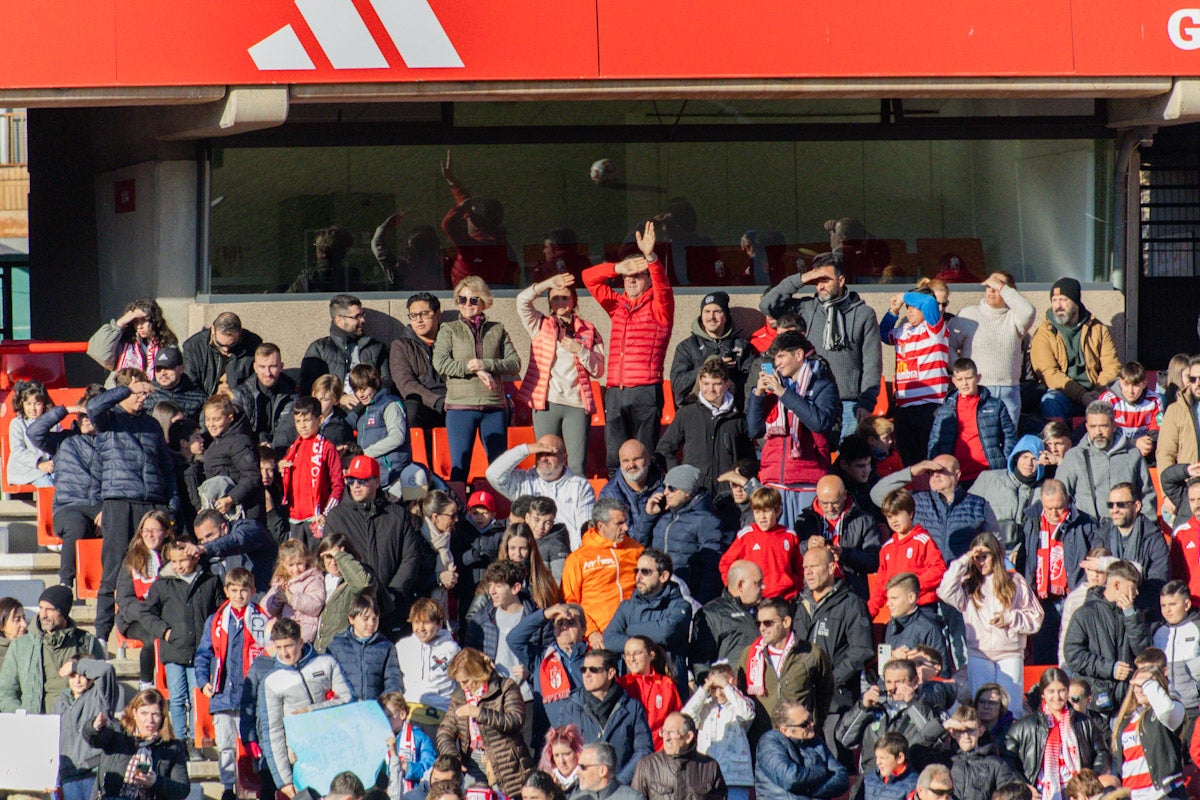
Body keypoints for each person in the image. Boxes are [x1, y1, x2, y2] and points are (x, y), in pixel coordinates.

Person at [583, 221, 675, 472]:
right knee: (615, 459)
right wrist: (617, 267)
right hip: (615, 391)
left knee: (644, 457)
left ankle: (647, 506)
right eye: (627, 276)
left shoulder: (660, 307)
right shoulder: (617, 305)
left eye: (638, 275)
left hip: (645, 391)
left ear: (648, 279)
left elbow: (663, 286)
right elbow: (588, 278)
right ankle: (616, 507)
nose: (631, 280)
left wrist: (650, 258)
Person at [759, 254, 882, 440]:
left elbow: (872, 361)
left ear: (841, 280)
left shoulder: (864, 313)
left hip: (849, 404)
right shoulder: (806, 307)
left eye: (826, 280)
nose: (820, 286)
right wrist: (801, 279)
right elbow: (767, 306)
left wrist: (866, 402)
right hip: (812, 399)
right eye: (817, 281)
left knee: (847, 463)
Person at [433, 276, 520, 500]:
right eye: (462, 299)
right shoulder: (449, 329)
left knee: (498, 466)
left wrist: (486, 365)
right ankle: (457, 513)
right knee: (460, 466)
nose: (467, 305)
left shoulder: (497, 329)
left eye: (473, 300)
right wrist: (474, 369)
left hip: (493, 406)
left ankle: (500, 510)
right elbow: (441, 363)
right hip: (461, 407)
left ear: (484, 301)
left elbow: (514, 363)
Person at [141, 536, 225, 756]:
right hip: (174, 649)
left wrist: (213, 640)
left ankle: (197, 743)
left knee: (197, 697)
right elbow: (147, 613)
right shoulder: (163, 584)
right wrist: (165, 632)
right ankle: (180, 741)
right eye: (174, 561)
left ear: (195, 557)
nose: (178, 565)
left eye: (183, 560)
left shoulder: (210, 581)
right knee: (177, 697)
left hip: (201, 652)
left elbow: (219, 612)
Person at [516, 272, 606, 477]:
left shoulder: (589, 329)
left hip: (576, 403)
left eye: (565, 297)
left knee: (576, 465)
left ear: (574, 300)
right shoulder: (539, 324)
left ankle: (577, 507)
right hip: (547, 402)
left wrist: (580, 350)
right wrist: (548, 282)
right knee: (546, 462)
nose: (560, 302)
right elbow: (522, 300)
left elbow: (599, 370)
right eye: (555, 298)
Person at [937, 533, 1043, 706]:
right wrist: (965, 560)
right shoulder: (968, 584)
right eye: (977, 558)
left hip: (1010, 653)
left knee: (1011, 707)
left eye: (985, 557)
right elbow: (944, 590)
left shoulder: (1015, 581)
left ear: (996, 555)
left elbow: (1036, 617)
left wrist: (1011, 618)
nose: (980, 562)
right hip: (979, 655)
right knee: (983, 707)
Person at [747, 330, 840, 524]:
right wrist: (758, 395)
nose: (777, 363)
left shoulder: (823, 385)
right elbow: (755, 430)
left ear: (798, 355)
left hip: (808, 479)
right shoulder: (774, 387)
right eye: (775, 358)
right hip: (774, 480)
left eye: (781, 356)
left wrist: (783, 393)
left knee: (805, 544)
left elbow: (819, 422)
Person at [792, 544, 873, 767]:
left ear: (831, 567)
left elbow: (862, 650)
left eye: (814, 566)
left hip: (837, 702)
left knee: (835, 766)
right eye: (805, 567)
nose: (808, 572)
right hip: (803, 700)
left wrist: (829, 680)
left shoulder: (851, 603)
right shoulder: (800, 604)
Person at [194, 567, 270, 800]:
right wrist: (203, 681)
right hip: (223, 694)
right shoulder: (216, 620)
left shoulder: (262, 620)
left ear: (253, 591)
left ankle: (258, 785)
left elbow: (268, 654)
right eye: (234, 590)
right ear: (226, 590)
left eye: (244, 590)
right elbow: (203, 654)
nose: (239, 595)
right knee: (226, 746)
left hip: (251, 696)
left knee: (252, 743)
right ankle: (228, 788)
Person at [323, 455, 423, 630]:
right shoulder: (336, 517)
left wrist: (391, 596)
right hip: (351, 611)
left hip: (393, 609)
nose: (355, 486)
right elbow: (330, 562)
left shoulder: (397, 515)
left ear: (377, 482)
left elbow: (410, 558)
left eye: (362, 480)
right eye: (351, 480)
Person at [263, 617, 353, 794]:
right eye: (279, 647)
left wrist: (310, 711)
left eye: (288, 646)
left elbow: (348, 701)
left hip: (335, 750)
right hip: (301, 759)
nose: (284, 653)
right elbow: (273, 731)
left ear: (301, 642)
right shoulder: (272, 681)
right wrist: (284, 781)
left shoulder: (327, 663)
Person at [27, 384, 104, 589]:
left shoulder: (111, 443)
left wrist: (107, 508)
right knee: (76, 527)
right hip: (69, 506)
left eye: (91, 415)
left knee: (118, 522)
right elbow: (34, 432)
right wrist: (66, 410)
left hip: (100, 505)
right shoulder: (63, 441)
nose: (86, 419)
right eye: (83, 415)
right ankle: (65, 585)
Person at [436, 647, 533, 798]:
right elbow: (445, 731)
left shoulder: (505, 687)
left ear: (476, 673)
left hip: (506, 761)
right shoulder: (459, 696)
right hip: (473, 761)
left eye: (466, 681)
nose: (463, 686)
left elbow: (515, 720)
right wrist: (453, 758)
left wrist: (479, 713)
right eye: (459, 682)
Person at [736, 596, 833, 745]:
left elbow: (825, 691)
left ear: (786, 622)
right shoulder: (749, 655)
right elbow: (741, 697)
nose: (762, 628)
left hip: (800, 740)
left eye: (768, 623)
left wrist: (812, 722)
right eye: (759, 623)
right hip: (763, 741)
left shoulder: (811, 653)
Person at [1003, 668, 1112, 798]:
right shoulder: (1025, 725)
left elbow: (1102, 752)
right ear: (1042, 694)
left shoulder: (1084, 722)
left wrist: (1090, 779)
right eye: (1051, 691)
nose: (1057, 697)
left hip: (1078, 792)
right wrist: (1024, 786)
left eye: (1061, 691)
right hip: (1039, 792)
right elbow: (1008, 758)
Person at [1062, 560, 1151, 716]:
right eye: (1132, 588)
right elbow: (1073, 655)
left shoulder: (1133, 614)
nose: (1136, 593)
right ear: (1116, 585)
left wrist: (1131, 617)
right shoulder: (1085, 614)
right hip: (1094, 703)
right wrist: (1110, 668)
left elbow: (1143, 652)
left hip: (1126, 701)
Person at [870, 455, 999, 563]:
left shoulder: (978, 504)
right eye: (930, 472)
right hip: (925, 579)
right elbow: (877, 494)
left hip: (965, 579)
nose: (936, 475)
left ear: (957, 474)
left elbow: (996, 542)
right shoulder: (916, 500)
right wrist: (913, 471)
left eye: (942, 470)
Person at [657, 359, 755, 498]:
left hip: (728, 494)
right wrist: (678, 477)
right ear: (700, 383)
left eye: (716, 384)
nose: (710, 389)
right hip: (695, 493)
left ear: (727, 384)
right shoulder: (687, 413)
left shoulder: (738, 418)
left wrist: (739, 478)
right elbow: (665, 449)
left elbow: (748, 457)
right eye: (706, 383)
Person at [947, 273, 1035, 427]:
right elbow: (947, 345)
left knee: (1007, 444)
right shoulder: (968, 315)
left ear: (1010, 291)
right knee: (980, 443)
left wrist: (1002, 287)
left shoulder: (1015, 317)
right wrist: (960, 372)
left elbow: (1029, 311)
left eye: (997, 286)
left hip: (1009, 392)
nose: (992, 290)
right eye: (989, 286)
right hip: (977, 390)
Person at [0, 585, 104, 714]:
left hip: (75, 726)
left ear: (64, 612)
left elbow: (103, 683)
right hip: (36, 725)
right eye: (41, 608)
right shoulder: (21, 645)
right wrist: (20, 713)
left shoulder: (87, 643)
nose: (43, 615)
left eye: (50, 609)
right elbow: (6, 691)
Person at [604, 550, 693, 698]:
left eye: (645, 572)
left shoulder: (680, 606)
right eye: (636, 571)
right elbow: (609, 640)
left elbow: (666, 632)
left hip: (670, 688)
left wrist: (629, 631)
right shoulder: (626, 607)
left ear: (663, 576)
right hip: (633, 689)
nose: (638, 576)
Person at [558, 649, 653, 785]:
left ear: (611, 673)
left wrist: (619, 782)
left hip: (623, 788)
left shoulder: (632, 707)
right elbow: (562, 749)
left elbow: (644, 749)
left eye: (594, 670)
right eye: (584, 670)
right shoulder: (571, 708)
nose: (587, 675)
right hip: (583, 789)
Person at [1030, 278, 1121, 420]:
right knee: (1050, 400)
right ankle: (1060, 440)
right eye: (1054, 300)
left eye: (1063, 300)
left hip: (1096, 391)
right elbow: (1049, 373)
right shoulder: (1043, 333)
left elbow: (1112, 365)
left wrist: (1098, 391)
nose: (1058, 306)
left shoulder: (1098, 329)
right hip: (1064, 393)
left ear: (1076, 303)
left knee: (1122, 392)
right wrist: (1082, 396)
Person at [631, 465, 725, 603]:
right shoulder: (663, 515)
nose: (665, 492)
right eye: (665, 486)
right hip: (656, 592)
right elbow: (638, 547)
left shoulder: (706, 520)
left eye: (672, 488)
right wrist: (648, 516)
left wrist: (703, 603)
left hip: (686, 596)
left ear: (688, 492)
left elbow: (712, 568)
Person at [835, 659, 945, 775]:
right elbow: (844, 738)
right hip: (872, 779)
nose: (893, 687)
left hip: (910, 779)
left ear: (915, 682)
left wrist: (912, 704)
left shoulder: (929, 708)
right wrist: (862, 708)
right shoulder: (874, 706)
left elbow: (936, 740)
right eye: (888, 682)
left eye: (899, 682)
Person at [486, 435, 596, 550]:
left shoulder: (580, 486)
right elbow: (493, 474)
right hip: (530, 556)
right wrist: (526, 449)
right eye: (539, 453)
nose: (544, 458)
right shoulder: (523, 481)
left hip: (567, 555)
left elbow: (586, 530)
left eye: (550, 454)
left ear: (564, 458)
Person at [880, 288, 951, 465]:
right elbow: (882, 334)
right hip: (903, 408)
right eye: (908, 308)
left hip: (930, 406)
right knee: (910, 464)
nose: (909, 311)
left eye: (914, 307)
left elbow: (928, 302)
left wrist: (903, 295)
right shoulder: (903, 331)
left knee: (931, 461)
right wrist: (893, 311)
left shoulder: (935, 328)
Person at [82, 689, 191, 800]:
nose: (150, 720)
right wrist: (94, 727)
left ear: (163, 717)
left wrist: (156, 782)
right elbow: (94, 739)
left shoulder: (172, 746)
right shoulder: (118, 732)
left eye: (155, 714)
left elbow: (182, 789)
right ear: (134, 713)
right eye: (144, 713)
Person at [1057, 402, 1155, 522]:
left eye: (1103, 426)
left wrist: (1142, 528)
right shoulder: (1074, 457)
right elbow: (1059, 497)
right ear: (1087, 427)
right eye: (1093, 427)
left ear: (1114, 426)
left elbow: (1147, 496)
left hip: (1126, 531)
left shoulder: (1133, 455)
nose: (1098, 432)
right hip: (1087, 532)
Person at [561, 499, 644, 643]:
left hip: (634, 632)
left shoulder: (637, 550)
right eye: (619, 523)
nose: (625, 527)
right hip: (599, 637)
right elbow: (571, 601)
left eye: (625, 521)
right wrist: (590, 632)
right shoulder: (578, 558)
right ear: (602, 526)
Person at [508, 603, 590, 741]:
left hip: (584, 739)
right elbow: (513, 639)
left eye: (570, 623)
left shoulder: (594, 659)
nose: (564, 627)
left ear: (583, 629)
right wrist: (545, 614)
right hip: (549, 742)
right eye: (559, 623)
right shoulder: (541, 658)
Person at [793, 474, 881, 600]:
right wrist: (807, 546)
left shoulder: (864, 520)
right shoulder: (805, 520)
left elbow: (874, 561)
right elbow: (791, 557)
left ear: (844, 495)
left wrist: (845, 554)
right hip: (813, 593)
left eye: (835, 502)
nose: (830, 508)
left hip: (851, 592)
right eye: (824, 503)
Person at [927, 359, 1016, 483]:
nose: (965, 383)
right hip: (955, 476)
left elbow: (1009, 436)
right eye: (960, 379)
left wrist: (1005, 461)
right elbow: (935, 440)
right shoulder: (945, 410)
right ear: (954, 381)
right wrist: (935, 469)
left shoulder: (995, 405)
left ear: (978, 378)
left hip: (989, 474)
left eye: (969, 378)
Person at [440, 151, 518, 287]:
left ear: (476, 223)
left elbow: (448, 224)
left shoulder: (474, 246)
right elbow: (473, 211)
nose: (465, 219)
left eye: (468, 217)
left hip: (469, 298)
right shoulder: (498, 239)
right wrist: (453, 183)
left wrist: (460, 207)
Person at [1109, 666, 1186, 800]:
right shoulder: (1125, 720)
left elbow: (1166, 711)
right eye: (1136, 684)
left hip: (1164, 793)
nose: (1140, 688)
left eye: (1144, 683)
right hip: (1134, 794)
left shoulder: (1173, 707)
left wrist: (1149, 685)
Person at [867, 489, 947, 619]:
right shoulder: (886, 548)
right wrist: (869, 612)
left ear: (910, 513)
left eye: (898, 514)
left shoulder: (922, 541)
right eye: (889, 516)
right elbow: (881, 584)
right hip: (897, 610)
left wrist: (912, 587)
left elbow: (939, 569)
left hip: (921, 607)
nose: (894, 521)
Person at [670, 290, 755, 409]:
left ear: (725, 316)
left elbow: (753, 381)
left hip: (733, 412)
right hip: (696, 410)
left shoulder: (742, 345)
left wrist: (734, 385)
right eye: (707, 312)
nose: (711, 317)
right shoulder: (687, 347)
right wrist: (707, 368)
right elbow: (678, 385)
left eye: (717, 312)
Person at [279, 396, 345, 546]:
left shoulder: (327, 447)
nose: (302, 426)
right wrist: (280, 469)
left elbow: (338, 484)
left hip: (316, 517)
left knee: (316, 563)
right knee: (298, 563)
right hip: (295, 517)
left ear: (320, 419)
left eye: (307, 420)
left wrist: (327, 512)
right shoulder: (293, 448)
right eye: (298, 421)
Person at [720, 487, 805, 601]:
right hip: (755, 600)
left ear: (778, 511)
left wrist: (796, 590)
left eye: (766, 511)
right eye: (757, 512)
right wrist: (734, 591)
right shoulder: (746, 536)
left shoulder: (789, 536)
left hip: (784, 599)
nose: (762, 517)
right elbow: (726, 564)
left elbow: (800, 568)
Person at [682, 664, 753, 800]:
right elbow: (686, 719)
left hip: (735, 777)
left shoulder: (743, 704)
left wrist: (728, 687)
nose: (719, 693)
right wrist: (703, 690)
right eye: (714, 688)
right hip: (706, 775)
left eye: (721, 688)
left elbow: (747, 714)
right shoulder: (705, 707)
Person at [55, 654, 120, 800]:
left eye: (83, 675)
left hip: (94, 772)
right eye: (72, 676)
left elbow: (106, 670)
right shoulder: (60, 702)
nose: (77, 680)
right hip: (69, 776)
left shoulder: (100, 696)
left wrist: (75, 666)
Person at [969, 435, 1046, 555]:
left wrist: (1019, 552)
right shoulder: (988, 478)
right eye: (1024, 457)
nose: (1029, 463)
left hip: (1022, 554)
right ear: (1016, 458)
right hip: (987, 551)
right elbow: (968, 513)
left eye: (1034, 458)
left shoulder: (1044, 490)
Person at [755, 700, 848, 800]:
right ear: (785, 730)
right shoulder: (769, 743)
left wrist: (811, 791)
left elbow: (842, 778)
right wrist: (822, 771)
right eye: (804, 724)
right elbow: (791, 779)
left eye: (810, 719)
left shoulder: (816, 741)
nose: (811, 724)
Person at [300, 293, 392, 393]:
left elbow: (386, 381)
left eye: (362, 315)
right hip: (334, 406)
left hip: (372, 403)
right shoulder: (319, 349)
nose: (363, 320)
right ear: (339, 320)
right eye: (357, 317)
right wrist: (339, 399)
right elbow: (310, 387)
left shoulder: (376, 347)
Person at [395, 599, 460, 739]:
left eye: (427, 622)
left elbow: (461, 683)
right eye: (417, 622)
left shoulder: (451, 649)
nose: (421, 628)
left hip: (441, 717)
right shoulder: (402, 647)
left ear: (439, 624)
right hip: (411, 714)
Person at [1098, 482, 1170, 606]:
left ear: (1136, 506)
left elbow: (1158, 582)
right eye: (1110, 505)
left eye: (1121, 505)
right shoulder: (1101, 536)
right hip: (1107, 609)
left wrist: (1130, 603)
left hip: (1143, 611)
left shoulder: (1153, 538)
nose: (1114, 510)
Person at [690, 560, 762, 682]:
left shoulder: (767, 610)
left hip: (765, 691)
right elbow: (700, 661)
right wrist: (711, 690)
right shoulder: (712, 614)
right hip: (730, 692)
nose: (763, 587)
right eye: (758, 583)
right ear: (741, 585)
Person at [631, 712, 727, 800]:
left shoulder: (709, 767)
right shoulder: (647, 766)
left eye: (672, 733)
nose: (666, 738)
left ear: (688, 737)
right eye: (664, 732)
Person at [200, 393, 264, 521]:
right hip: (225, 513)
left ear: (230, 418)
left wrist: (231, 499)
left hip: (245, 512)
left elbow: (252, 476)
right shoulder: (212, 444)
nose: (211, 424)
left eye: (216, 419)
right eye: (208, 419)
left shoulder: (239, 442)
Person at [1152, 581, 1200, 752]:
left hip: (1192, 709)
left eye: (1173, 604)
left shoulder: (1197, 627)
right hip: (1166, 708)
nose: (1167, 610)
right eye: (1163, 605)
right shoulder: (1158, 631)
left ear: (1186, 604)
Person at [391, 292, 448, 433]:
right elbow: (406, 384)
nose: (419, 320)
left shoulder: (451, 340)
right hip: (424, 404)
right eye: (414, 316)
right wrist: (437, 401)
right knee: (411, 409)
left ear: (437, 314)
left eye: (424, 313)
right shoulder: (401, 346)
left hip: (454, 399)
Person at [347, 363, 411, 489]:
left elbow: (397, 437)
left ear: (375, 383)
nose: (360, 395)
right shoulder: (362, 412)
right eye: (356, 391)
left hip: (394, 475)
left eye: (363, 389)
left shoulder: (390, 404)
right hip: (373, 477)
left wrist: (365, 453)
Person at [190, 508, 279, 597]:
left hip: (270, 600)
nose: (206, 542)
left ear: (224, 528)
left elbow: (239, 540)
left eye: (209, 536)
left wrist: (207, 548)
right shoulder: (208, 555)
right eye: (201, 540)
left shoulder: (249, 528)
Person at [616, 635, 682, 752]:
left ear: (651, 656)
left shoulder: (666, 684)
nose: (631, 659)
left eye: (637, 653)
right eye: (627, 654)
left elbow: (677, 719)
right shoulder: (620, 685)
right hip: (630, 754)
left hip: (661, 753)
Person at [231, 343, 298, 451]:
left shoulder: (291, 395)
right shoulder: (240, 395)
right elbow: (235, 433)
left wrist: (271, 448)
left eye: (273, 366)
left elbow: (286, 432)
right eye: (262, 367)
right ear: (255, 367)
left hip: (280, 451)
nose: (267, 373)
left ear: (281, 367)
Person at [313, 534, 374, 652]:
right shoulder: (318, 580)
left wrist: (340, 556)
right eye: (328, 557)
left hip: (345, 652)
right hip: (318, 652)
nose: (333, 562)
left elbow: (363, 585)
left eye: (336, 556)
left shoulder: (358, 578)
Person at [882, 573, 950, 677]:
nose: (888, 603)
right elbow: (884, 672)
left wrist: (909, 662)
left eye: (894, 598)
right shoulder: (891, 625)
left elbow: (943, 673)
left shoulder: (929, 628)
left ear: (911, 597)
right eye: (888, 598)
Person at [263, 539, 326, 644]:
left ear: (306, 560)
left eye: (299, 564)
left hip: (303, 631)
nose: (296, 569)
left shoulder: (313, 579)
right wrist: (277, 599)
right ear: (283, 564)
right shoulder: (281, 580)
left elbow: (316, 605)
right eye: (291, 565)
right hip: (283, 631)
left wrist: (291, 599)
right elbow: (266, 608)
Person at [1098, 361, 1162, 462]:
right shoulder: (1108, 400)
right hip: (1115, 451)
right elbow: (1103, 433)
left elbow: (1158, 430)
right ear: (1120, 382)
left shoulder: (1155, 400)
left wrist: (1148, 444)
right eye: (1126, 385)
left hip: (1144, 451)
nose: (1130, 391)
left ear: (1144, 383)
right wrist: (1133, 443)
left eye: (1136, 385)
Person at [380, 691, 438, 800]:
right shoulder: (378, 740)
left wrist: (409, 768)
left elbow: (430, 767)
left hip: (413, 793)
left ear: (402, 714)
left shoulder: (419, 737)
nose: (385, 721)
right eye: (382, 717)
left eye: (389, 716)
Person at [600, 439, 666, 533]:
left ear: (648, 460)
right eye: (626, 461)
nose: (631, 465)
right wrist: (648, 515)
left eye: (637, 459)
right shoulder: (609, 495)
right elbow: (625, 538)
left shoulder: (666, 487)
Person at [7, 380, 56, 488]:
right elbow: (18, 451)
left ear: (44, 404)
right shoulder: (17, 423)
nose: (33, 409)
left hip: (51, 467)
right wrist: (39, 464)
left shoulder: (53, 423)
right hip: (26, 470)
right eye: (28, 404)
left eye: (37, 404)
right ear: (22, 404)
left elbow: (60, 447)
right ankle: (51, 505)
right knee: (47, 484)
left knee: (67, 482)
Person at [145, 346, 207, 421]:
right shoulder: (145, 395)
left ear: (181, 369)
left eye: (168, 368)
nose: (163, 373)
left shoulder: (198, 398)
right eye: (158, 369)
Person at [572, 742, 647, 800]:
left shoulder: (633, 798)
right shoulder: (575, 798)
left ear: (602, 771)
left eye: (583, 767)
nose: (577, 772)